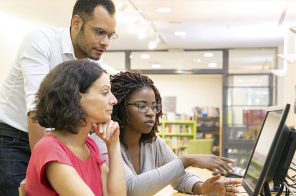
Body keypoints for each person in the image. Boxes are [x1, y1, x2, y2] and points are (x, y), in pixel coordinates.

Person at [0, 0, 117, 195]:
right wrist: (40, 166)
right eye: (99, 32)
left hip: (56, 141)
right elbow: (36, 109)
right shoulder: (40, 41)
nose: (105, 42)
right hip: (15, 137)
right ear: (77, 22)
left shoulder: (93, 57)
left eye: (110, 35)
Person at [108, 71, 241, 195]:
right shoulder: (104, 142)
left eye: (154, 106)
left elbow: (180, 177)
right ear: (120, 107)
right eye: (142, 105)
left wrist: (203, 188)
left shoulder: (153, 142)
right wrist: (187, 160)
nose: (151, 113)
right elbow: (131, 189)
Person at [25, 59, 126, 195]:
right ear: (76, 98)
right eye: (105, 92)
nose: (114, 100)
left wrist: (113, 145)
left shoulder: (88, 144)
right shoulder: (50, 149)